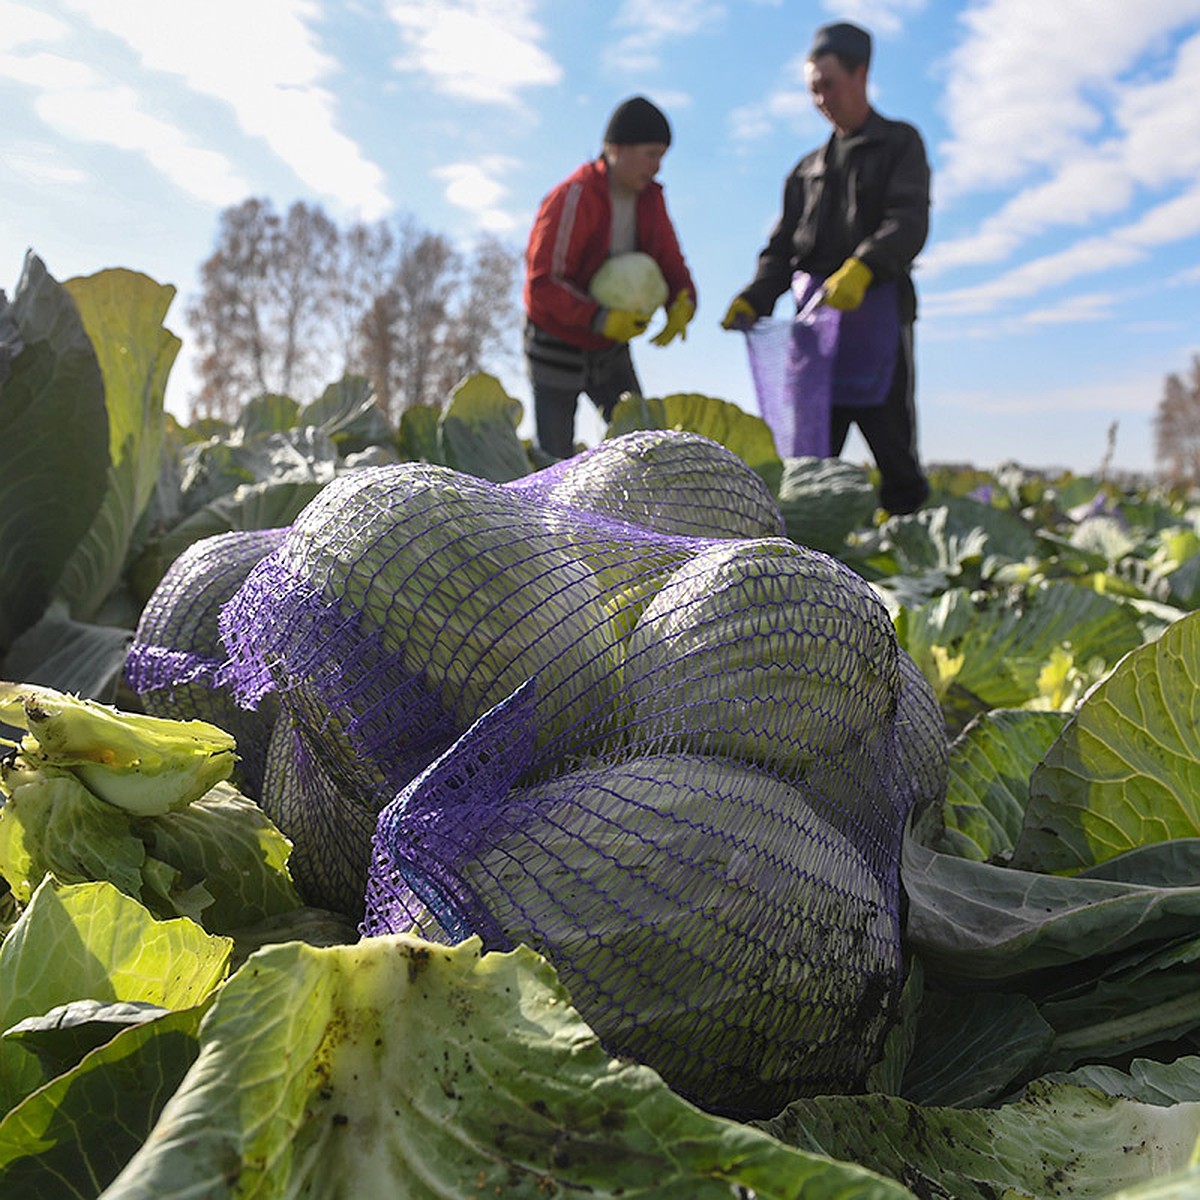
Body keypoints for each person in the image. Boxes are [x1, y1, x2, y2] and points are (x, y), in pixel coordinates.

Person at [721, 20, 932, 515]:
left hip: (878, 326)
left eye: (828, 86)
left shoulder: (900, 144)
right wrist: (756, 294)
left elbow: (908, 221)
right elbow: (781, 248)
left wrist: (864, 266)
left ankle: (917, 556)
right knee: (810, 461)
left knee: (895, 453)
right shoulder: (805, 171)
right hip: (816, 336)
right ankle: (811, 564)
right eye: (813, 89)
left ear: (861, 74)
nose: (820, 98)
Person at [523, 95, 698, 459]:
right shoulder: (573, 197)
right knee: (553, 458)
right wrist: (600, 318)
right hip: (557, 342)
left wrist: (683, 300)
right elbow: (543, 284)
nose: (656, 168)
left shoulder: (650, 200)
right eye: (651, 155)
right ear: (616, 148)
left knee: (641, 447)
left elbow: (670, 259)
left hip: (609, 348)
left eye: (661, 157)